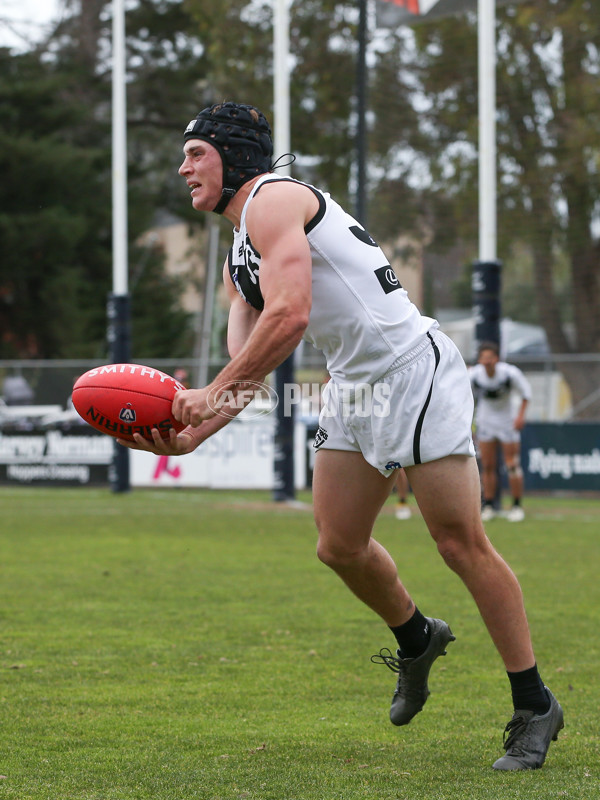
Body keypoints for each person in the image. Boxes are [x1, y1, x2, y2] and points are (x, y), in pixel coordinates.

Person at [118, 102, 563, 770]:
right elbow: (252, 372)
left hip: (411, 369)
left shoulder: (271, 200)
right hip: (353, 386)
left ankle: (534, 705)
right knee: (338, 545)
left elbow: (291, 317)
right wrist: (194, 436)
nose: (183, 168)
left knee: (458, 542)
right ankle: (417, 639)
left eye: (195, 153)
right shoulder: (241, 252)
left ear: (233, 154)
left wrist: (204, 398)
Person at [469, 343, 532, 522]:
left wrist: (520, 416)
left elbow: (526, 394)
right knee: (488, 466)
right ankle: (488, 505)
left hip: (507, 422)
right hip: (486, 422)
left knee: (512, 464)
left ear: (496, 359)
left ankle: (516, 505)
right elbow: (466, 397)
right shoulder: (474, 375)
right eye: (484, 358)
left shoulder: (509, 373)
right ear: (480, 360)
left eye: (490, 358)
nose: (487, 362)